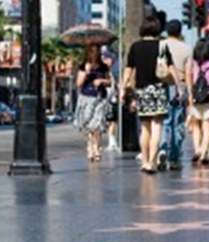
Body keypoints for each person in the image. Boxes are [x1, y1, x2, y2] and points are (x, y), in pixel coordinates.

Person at [123, 17, 170, 174]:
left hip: (142, 91)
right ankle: (152, 162)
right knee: (157, 127)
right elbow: (170, 68)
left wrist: (123, 87)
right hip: (158, 89)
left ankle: (144, 162)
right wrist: (179, 84)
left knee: (144, 128)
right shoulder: (162, 46)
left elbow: (128, 69)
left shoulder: (135, 47)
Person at [157, 19, 191, 171]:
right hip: (179, 86)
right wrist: (188, 93)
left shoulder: (160, 45)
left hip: (162, 84)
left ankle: (162, 149)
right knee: (177, 123)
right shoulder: (186, 48)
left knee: (164, 121)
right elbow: (189, 73)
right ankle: (175, 158)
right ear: (180, 31)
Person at [185, 38, 209, 164]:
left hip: (195, 98)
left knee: (196, 125)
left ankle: (197, 150)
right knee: (207, 126)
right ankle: (204, 152)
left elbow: (189, 79)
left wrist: (190, 95)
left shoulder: (193, 63)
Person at [74, 44, 113, 162]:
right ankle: (90, 147)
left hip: (100, 98)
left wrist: (101, 81)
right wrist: (86, 73)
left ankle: (96, 148)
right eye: (92, 51)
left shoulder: (104, 67)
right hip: (86, 98)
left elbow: (110, 82)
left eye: (97, 51)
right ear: (88, 53)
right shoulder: (83, 66)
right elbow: (78, 84)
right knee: (89, 126)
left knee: (97, 125)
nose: (94, 54)